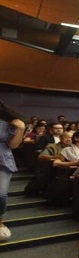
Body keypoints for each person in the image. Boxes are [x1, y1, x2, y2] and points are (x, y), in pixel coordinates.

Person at [0, 100, 25, 242]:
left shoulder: (9, 122)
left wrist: (21, 129)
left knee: (1, 194)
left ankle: (0, 221)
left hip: (3, 158)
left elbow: (13, 145)